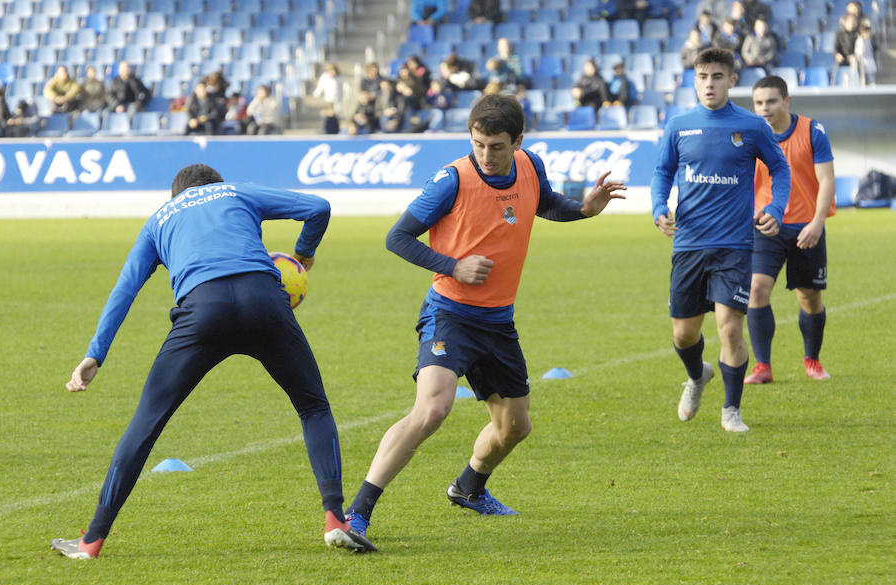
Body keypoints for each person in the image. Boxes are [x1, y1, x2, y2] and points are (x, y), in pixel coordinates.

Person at [51, 164, 375, 559]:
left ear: (175, 197)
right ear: (216, 186)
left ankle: (91, 541)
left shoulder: (158, 221)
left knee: (146, 423)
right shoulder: (236, 193)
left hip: (201, 313)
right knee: (312, 407)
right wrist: (303, 254)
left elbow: (125, 290)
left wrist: (94, 355)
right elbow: (319, 206)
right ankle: (334, 519)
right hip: (264, 302)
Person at [343, 94, 625, 540]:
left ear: (518, 141)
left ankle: (469, 487)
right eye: (478, 144)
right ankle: (355, 514)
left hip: (497, 321)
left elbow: (544, 203)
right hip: (450, 313)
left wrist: (584, 210)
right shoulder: (452, 180)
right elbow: (397, 237)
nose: (486, 156)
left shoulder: (529, 165)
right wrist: (452, 265)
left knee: (515, 427)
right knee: (432, 409)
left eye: (496, 146)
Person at [651, 47, 791, 433]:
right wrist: (659, 206)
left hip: (734, 245)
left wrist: (776, 210)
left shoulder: (752, 126)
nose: (709, 84)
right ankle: (698, 376)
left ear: (731, 80)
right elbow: (661, 172)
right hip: (689, 244)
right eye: (702, 77)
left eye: (716, 77)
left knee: (730, 327)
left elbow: (780, 168)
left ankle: (732, 410)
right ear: (693, 80)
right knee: (683, 334)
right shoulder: (679, 126)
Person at [745, 75, 835, 384]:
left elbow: (826, 180)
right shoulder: (749, 136)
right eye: (758, 103)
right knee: (756, 289)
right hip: (766, 227)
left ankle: (812, 359)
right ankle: (762, 366)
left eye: (770, 101)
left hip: (806, 227)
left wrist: (817, 223)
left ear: (787, 101)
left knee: (809, 297)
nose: (764, 108)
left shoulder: (812, 131)